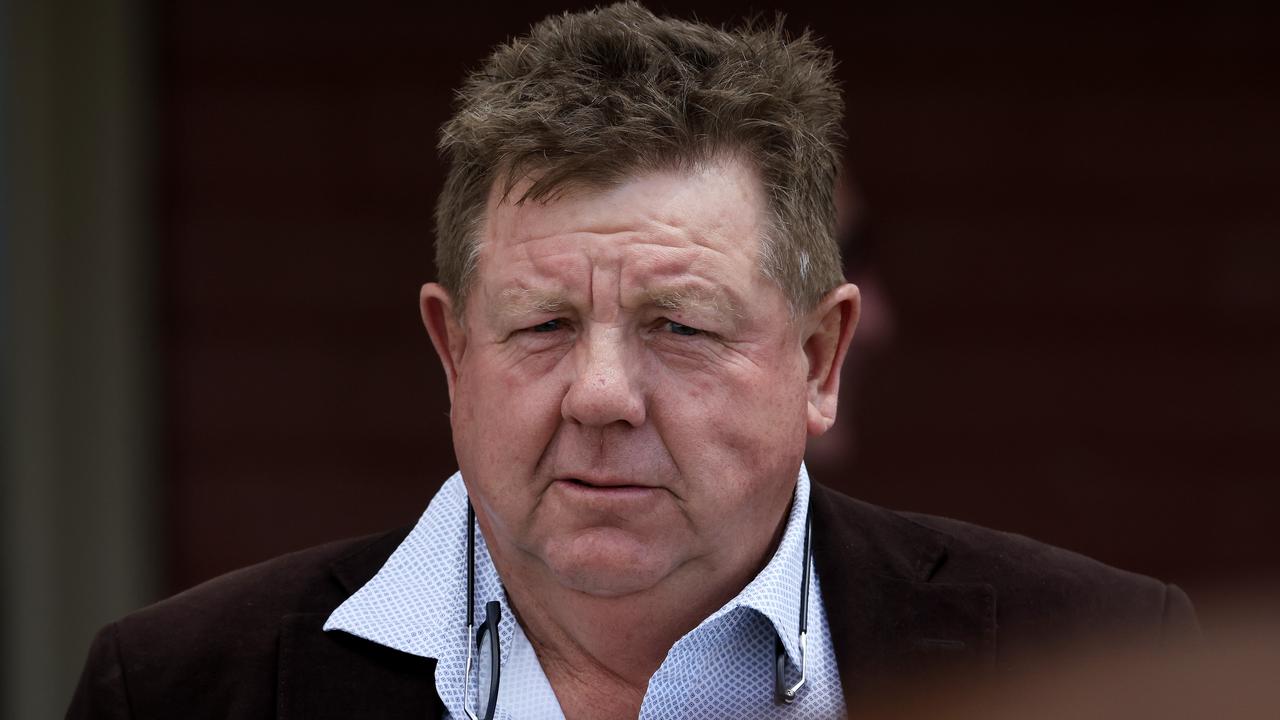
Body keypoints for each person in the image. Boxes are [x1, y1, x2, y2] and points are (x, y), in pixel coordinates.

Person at [67, 4, 1196, 718]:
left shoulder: (1097, 664)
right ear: (451, 350)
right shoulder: (176, 689)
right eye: (542, 325)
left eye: (681, 327)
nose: (601, 395)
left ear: (818, 356)